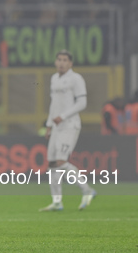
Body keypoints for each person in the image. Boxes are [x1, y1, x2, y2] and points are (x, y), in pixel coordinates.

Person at [40, 50, 96, 212]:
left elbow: (82, 103)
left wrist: (63, 116)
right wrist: (49, 124)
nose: (62, 62)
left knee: (61, 162)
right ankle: (57, 201)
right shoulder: (54, 78)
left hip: (70, 124)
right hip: (56, 126)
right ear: (55, 62)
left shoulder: (76, 79)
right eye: (59, 59)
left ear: (70, 63)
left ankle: (87, 190)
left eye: (65, 60)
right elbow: (53, 104)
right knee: (52, 163)